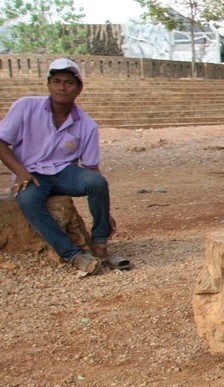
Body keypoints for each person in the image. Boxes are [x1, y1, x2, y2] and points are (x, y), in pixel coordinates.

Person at [0, 58, 128, 276]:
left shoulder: (87, 124)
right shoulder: (25, 107)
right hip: (31, 173)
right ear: (49, 85)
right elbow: (2, 142)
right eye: (56, 81)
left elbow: (91, 168)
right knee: (28, 200)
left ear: (79, 89)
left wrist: (104, 211)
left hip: (64, 174)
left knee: (96, 182)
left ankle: (100, 247)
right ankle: (73, 254)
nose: (62, 87)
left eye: (69, 83)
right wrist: (21, 172)